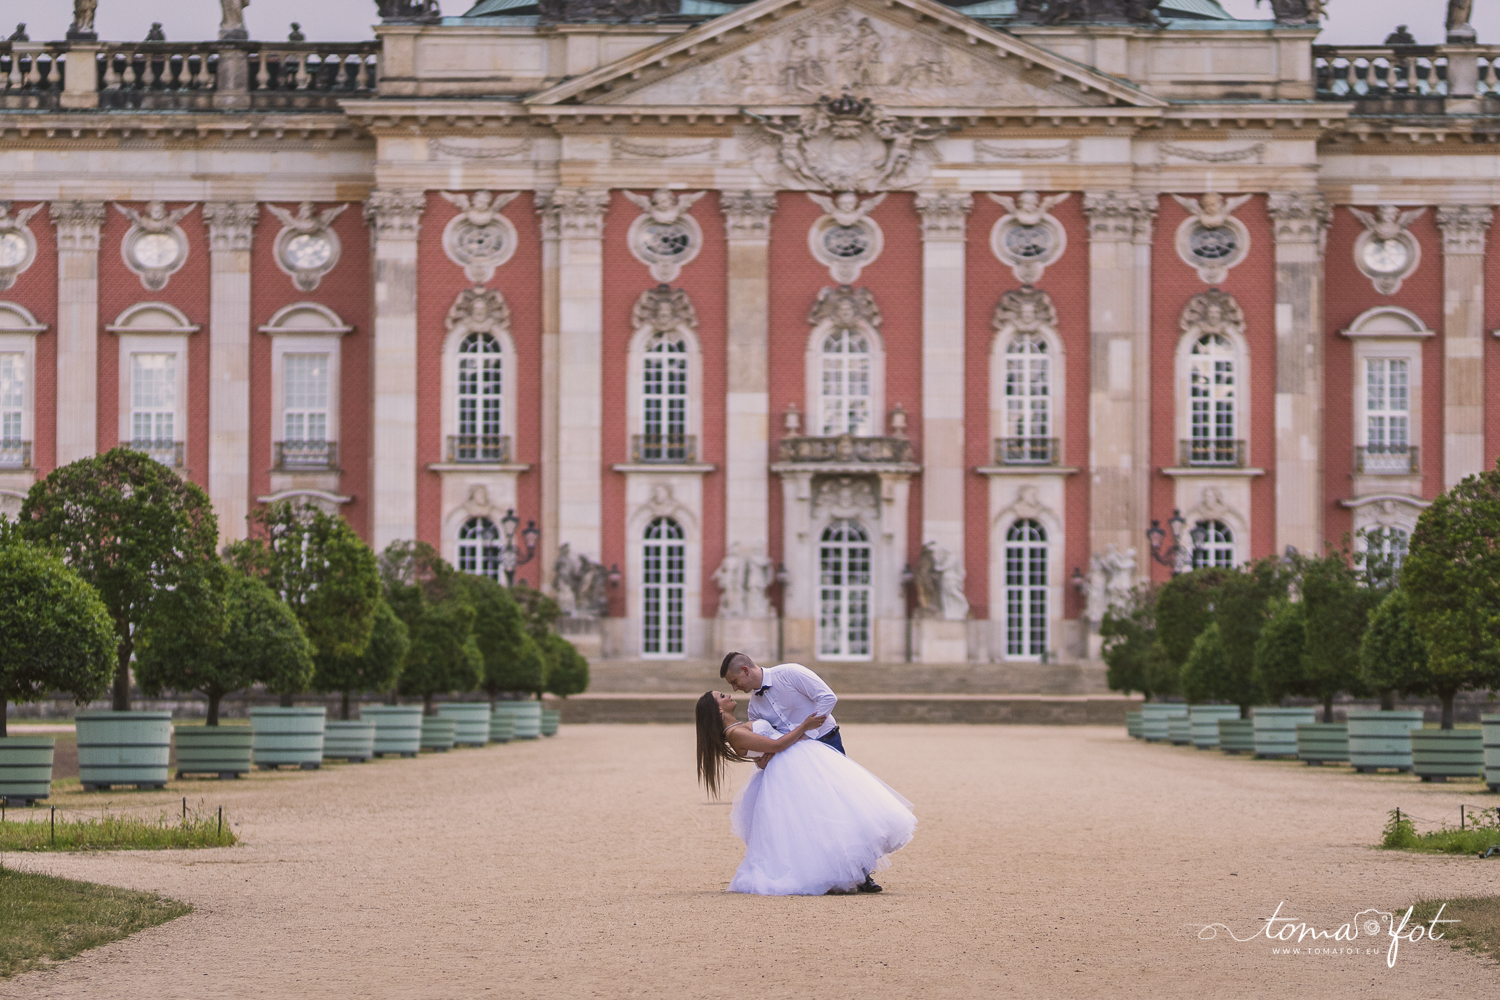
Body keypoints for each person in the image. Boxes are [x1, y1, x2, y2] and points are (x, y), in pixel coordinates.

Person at [695, 689, 916, 896]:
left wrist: (770, 751)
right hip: (790, 769)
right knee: (817, 821)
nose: (728, 694)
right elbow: (777, 745)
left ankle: (853, 871)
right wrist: (804, 726)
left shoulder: (739, 726)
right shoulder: (734, 733)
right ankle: (838, 872)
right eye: (722, 696)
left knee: (831, 814)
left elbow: (769, 747)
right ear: (719, 710)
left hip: (797, 763)